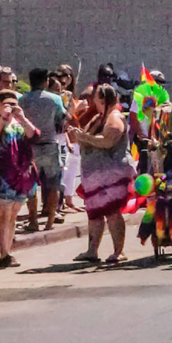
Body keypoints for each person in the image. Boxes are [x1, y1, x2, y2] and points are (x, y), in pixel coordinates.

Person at [67, 84, 136, 264]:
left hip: (111, 172)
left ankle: (118, 251)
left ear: (103, 100)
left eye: (94, 98)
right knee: (95, 213)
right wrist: (75, 124)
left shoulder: (114, 117)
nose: (91, 101)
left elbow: (108, 141)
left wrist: (85, 138)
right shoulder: (98, 117)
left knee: (112, 211)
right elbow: (80, 137)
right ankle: (92, 250)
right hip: (95, 175)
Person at [0, 90, 40, 268]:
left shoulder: (20, 121)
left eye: (14, 103)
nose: (11, 107)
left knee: (12, 216)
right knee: (1, 215)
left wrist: (22, 117)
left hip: (21, 177)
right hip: (1, 175)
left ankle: (7, 252)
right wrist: (3, 118)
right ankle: (2, 253)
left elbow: (34, 135)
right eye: (6, 103)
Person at [20, 68, 67, 232]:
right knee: (53, 183)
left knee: (31, 185)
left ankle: (33, 219)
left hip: (30, 146)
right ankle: (50, 220)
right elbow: (61, 118)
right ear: (46, 80)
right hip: (50, 143)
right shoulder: (55, 99)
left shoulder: (23, 100)